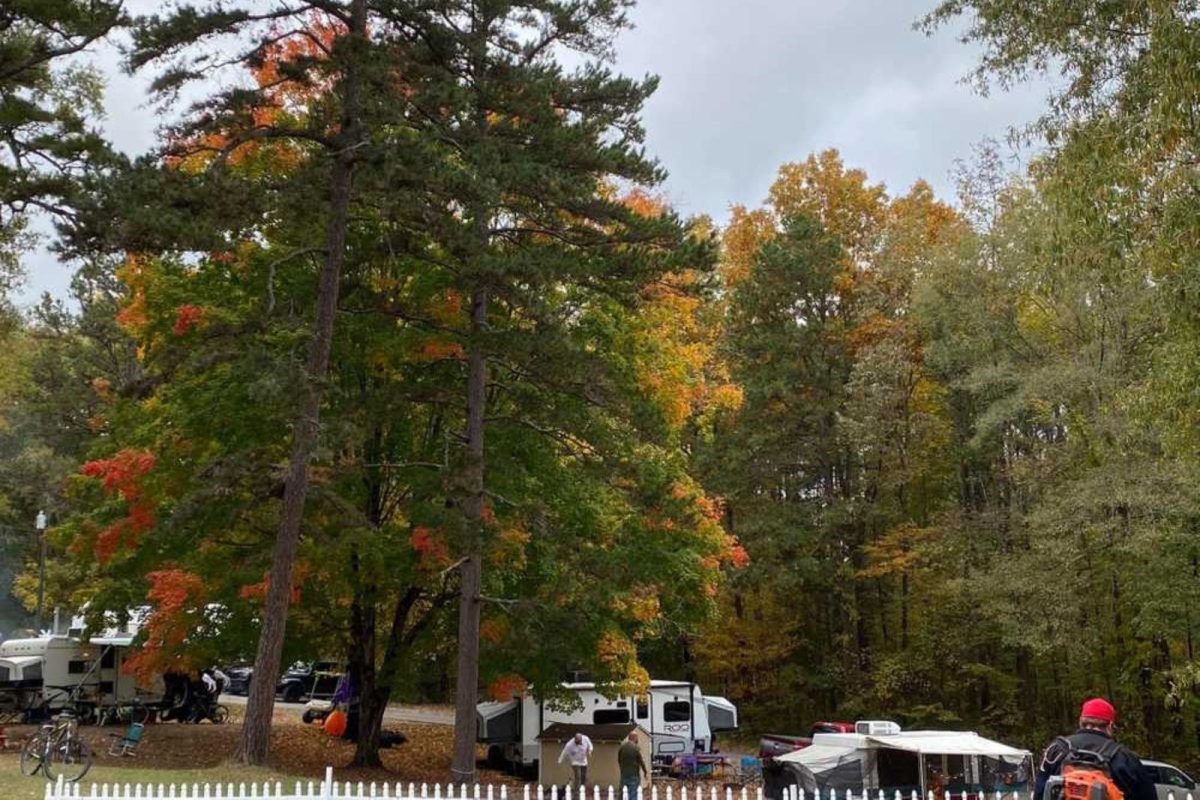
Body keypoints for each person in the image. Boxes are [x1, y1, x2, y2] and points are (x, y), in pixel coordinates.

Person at [1034, 697, 1156, 800]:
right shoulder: (1125, 758)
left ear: (1081, 721)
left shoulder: (1056, 750)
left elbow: (1039, 793)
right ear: (1110, 725)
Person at [618, 731, 649, 800]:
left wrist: (622, 769)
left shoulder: (622, 747)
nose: (637, 739)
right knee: (633, 794)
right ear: (634, 737)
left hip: (624, 774)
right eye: (637, 737)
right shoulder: (636, 748)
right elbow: (641, 762)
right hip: (634, 775)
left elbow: (619, 760)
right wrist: (645, 772)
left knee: (622, 793)